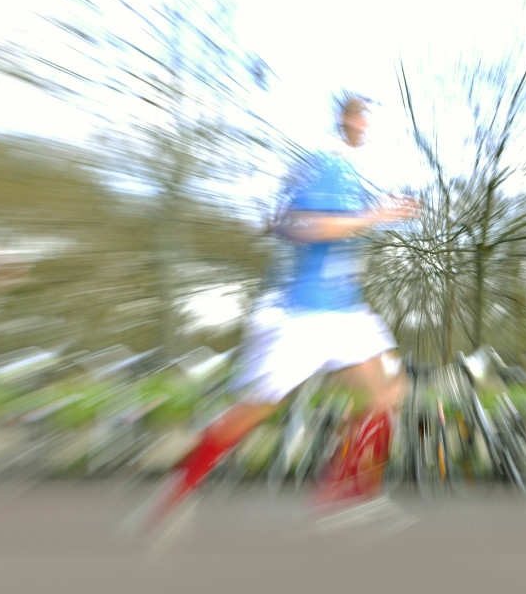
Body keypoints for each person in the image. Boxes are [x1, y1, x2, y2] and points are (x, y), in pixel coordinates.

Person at [152, 91, 418, 523]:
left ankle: (346, 495)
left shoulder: (351, 173)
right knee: (257, 406)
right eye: (364, 118)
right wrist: (375, 218)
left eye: (373, 119)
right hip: (302, 314)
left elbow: (282, 220)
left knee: (389, 390)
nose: (369, 127)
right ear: (346, 121)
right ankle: (179, 485)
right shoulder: (329, 165)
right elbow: (303, 227)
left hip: (346, 311)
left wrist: (380, 212)